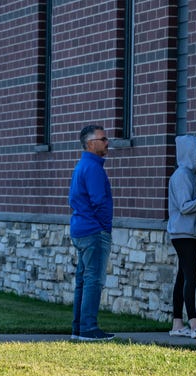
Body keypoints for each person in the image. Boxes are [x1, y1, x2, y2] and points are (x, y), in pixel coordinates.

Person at [69, 125, 115, 341]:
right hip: (93, 231)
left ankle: (78, 328)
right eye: (103, 139)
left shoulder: (82, 166)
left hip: (81, 229)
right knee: (93, 280)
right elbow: (99, 202)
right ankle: (88, 328)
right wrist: (105, 227)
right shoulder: (93, 168)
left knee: (83, 280)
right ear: (90, 144)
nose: (107, 142)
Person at [167, 135, 196, 339]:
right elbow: (185, 207)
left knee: (182, 276)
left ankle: (176, 324)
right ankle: (194, 323)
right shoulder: (181, 175)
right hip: (182, 232)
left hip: (192, 232)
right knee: (192, 275)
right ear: (189, 154)